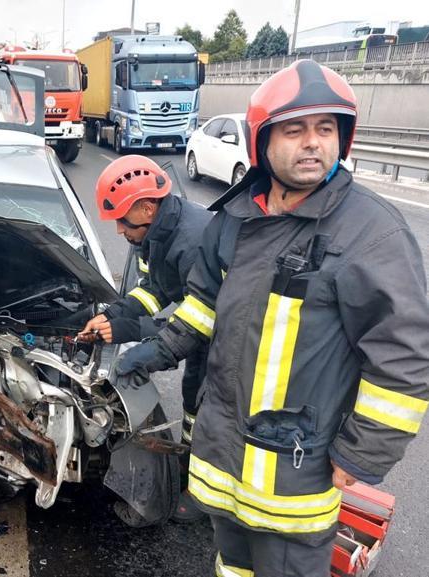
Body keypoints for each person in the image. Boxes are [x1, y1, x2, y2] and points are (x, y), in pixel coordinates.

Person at [111, 60, 429, 576]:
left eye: (325, 129)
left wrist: (361, 455)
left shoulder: (371, 234)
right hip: (226, 463)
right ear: (263, 141)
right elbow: (202, 305)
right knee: (231, 566)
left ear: (342, 139)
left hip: (294, 477)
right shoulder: (235, 220)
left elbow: (405, 362)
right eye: (295, 129)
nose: (312, 143)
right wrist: (160, 349)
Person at [77, 154, 211, 523]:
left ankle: (205, 496)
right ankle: (190, 468)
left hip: (231, 339)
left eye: (122, 220)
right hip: (201, 328)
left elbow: (200, 320)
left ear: (148, 207)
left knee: (213, 411)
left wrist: (145, 350)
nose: (119, 230)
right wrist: (113, 316)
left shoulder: (194, 240)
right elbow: (153, 291)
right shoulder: (152, 237)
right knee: (193, 403)